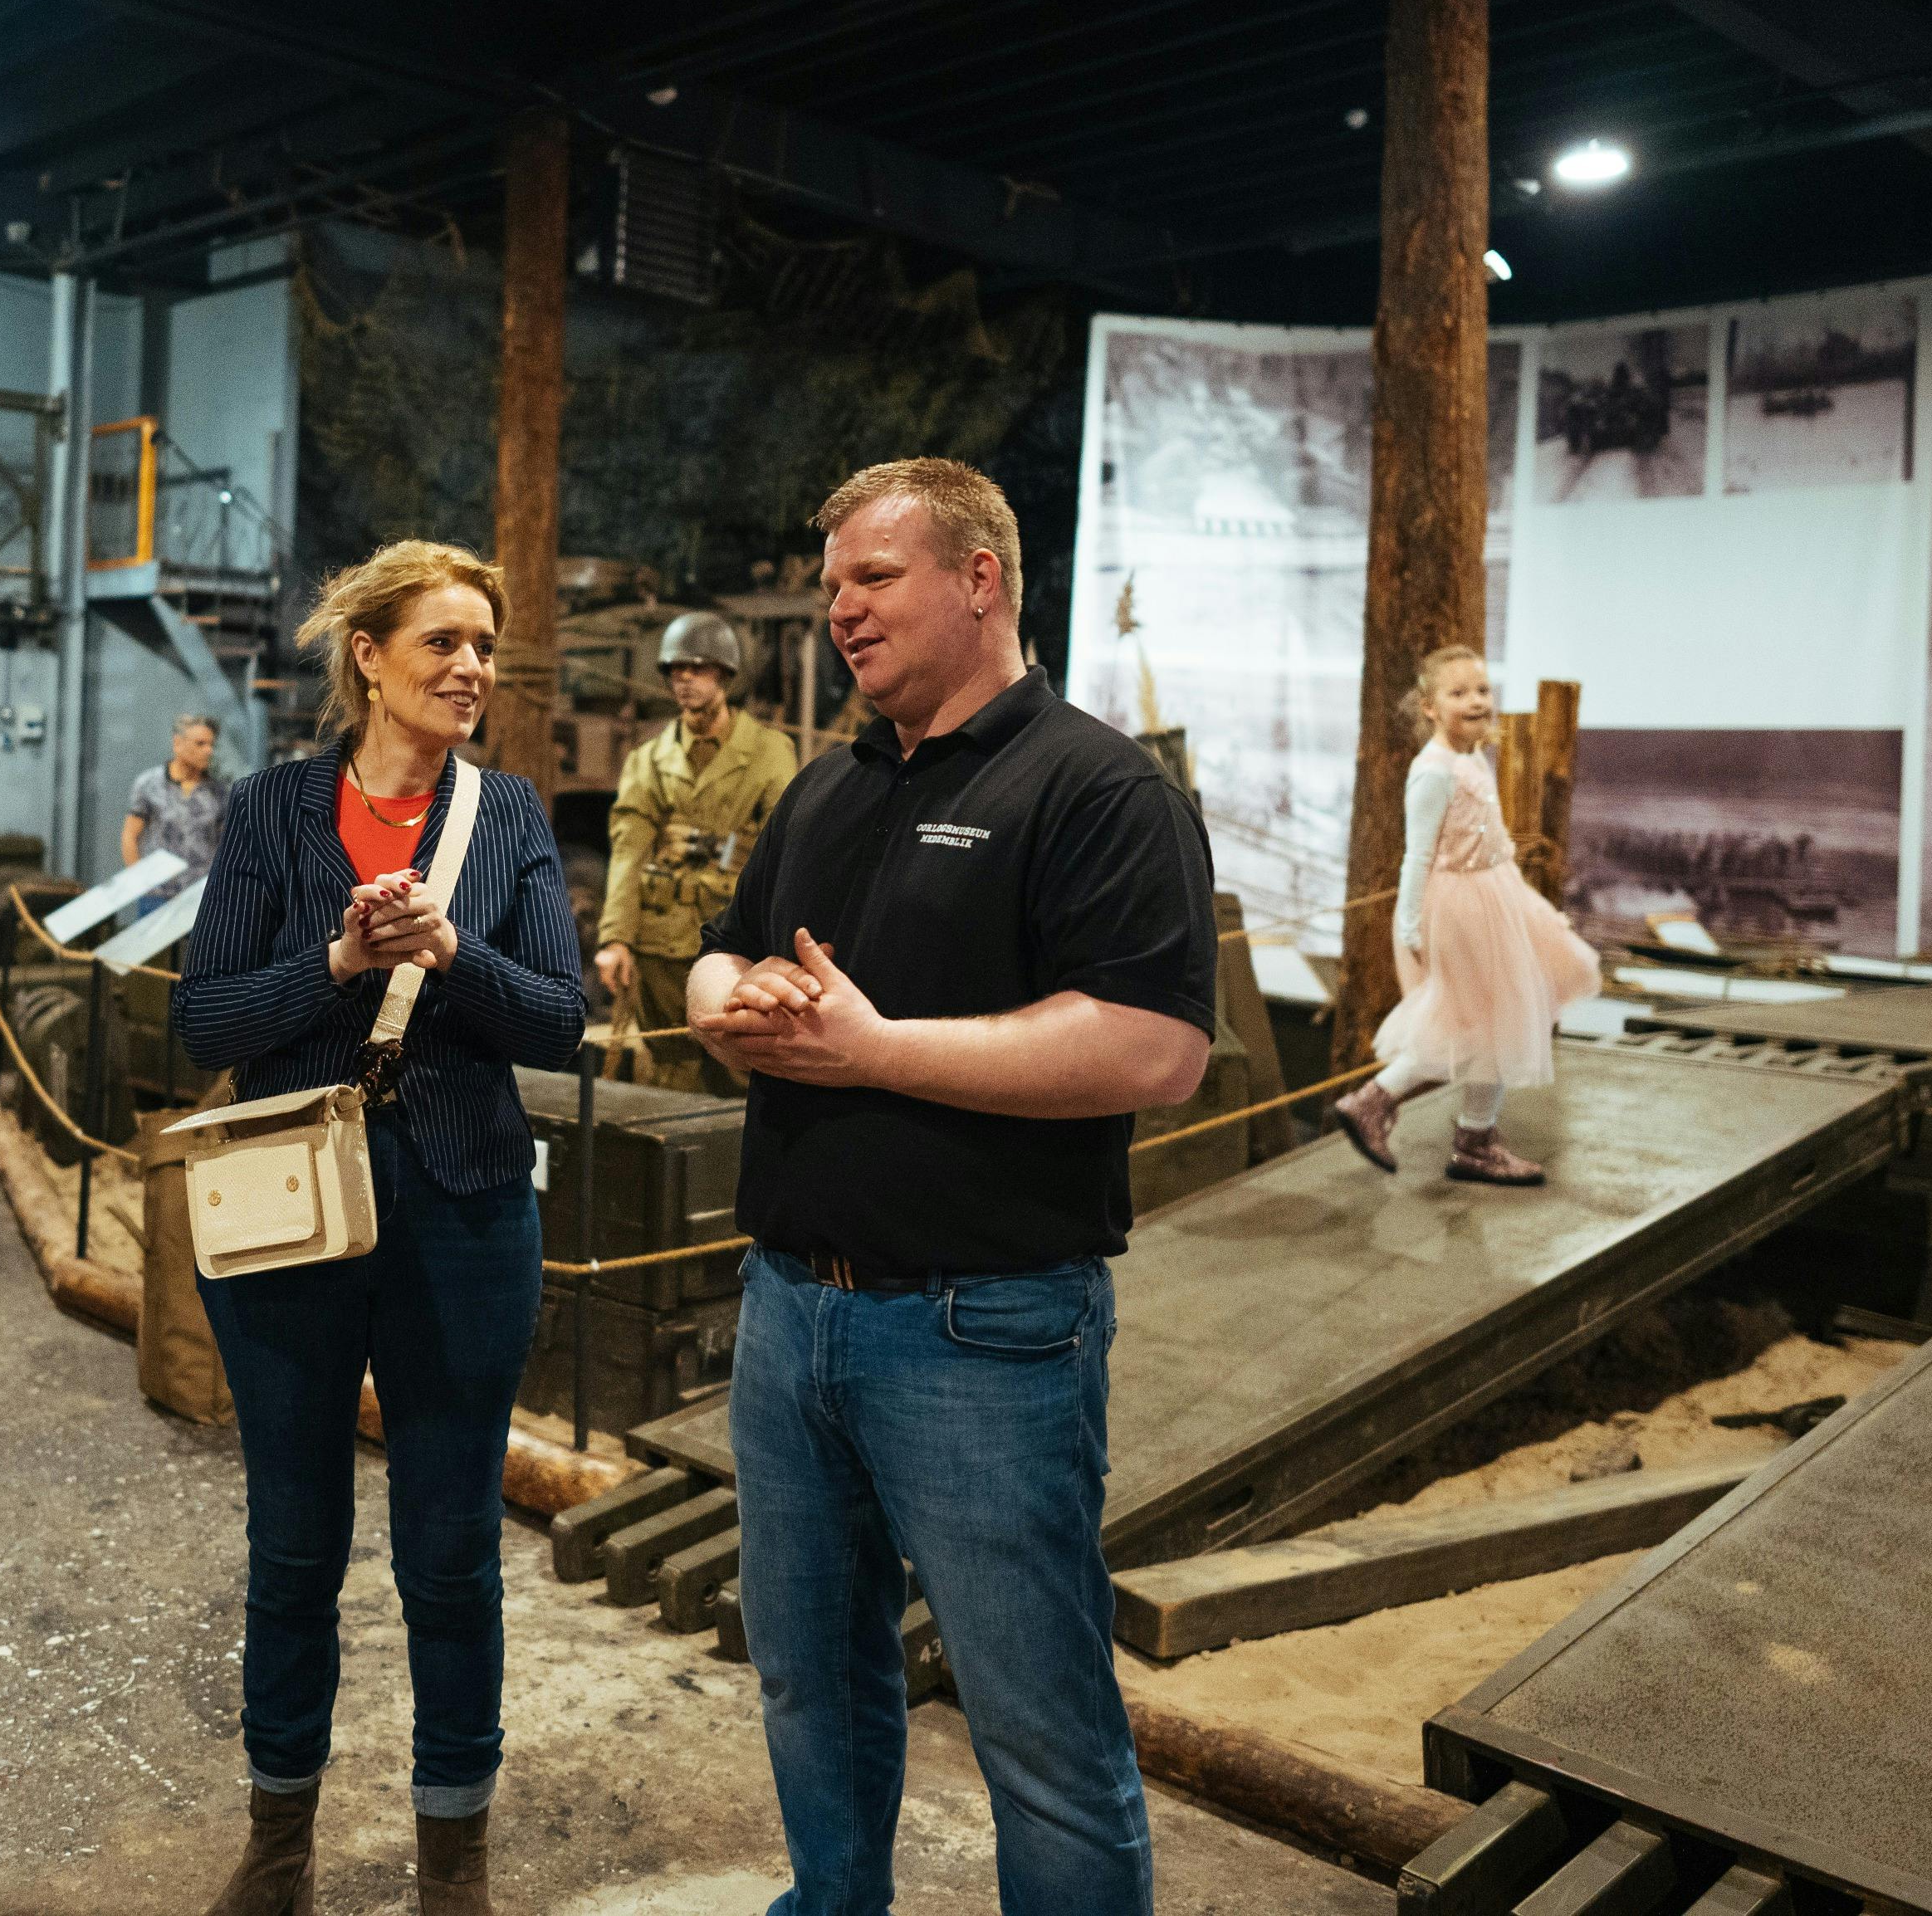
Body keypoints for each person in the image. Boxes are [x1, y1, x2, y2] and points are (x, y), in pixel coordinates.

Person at [687, 459, 1215, 1916]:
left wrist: (872, 1052)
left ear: (979, 579)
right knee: (810, 1681)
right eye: (833, 580)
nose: (838, 608)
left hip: (982, 1334)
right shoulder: (825, 787)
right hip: (790, 1314)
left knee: (1036, 1729)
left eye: (871, 576)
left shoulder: (1099, 788)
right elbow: (724, 949)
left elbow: (1156, 1048)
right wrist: (718, 995)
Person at [172, 540, 584, 1916]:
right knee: (293, 1541)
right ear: (368, 656)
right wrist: (342, 959)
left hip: (465, 1214)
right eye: (442, 644)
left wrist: (451, 955)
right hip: (291, 1211)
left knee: (451, 1548)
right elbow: (202, 1019)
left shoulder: (511, 817)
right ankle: (277, 1845)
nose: (470, 670)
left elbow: (559, 1020)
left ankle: (449, 1860)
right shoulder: (272, 810)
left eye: (484, 649)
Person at [1332, 647, 1602, 1185]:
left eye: (1481, 690)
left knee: (1508, 1015)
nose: (1476, 701)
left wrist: (1528, 903)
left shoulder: (1471, 757)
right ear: (1430, 707)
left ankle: (1475, 1137)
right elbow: (1418, 854)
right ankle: (1375, 1099)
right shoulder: (1433, 771)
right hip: (1461, 909)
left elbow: (1490, 841)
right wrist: (1410, 923)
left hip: (1498, 896)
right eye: (1458, 693)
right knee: (1472, 1022)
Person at [594, 610, 796, 1093]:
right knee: (670, 1074)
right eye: (675, 671)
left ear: (724, 675)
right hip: (659, 941)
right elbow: (629, 848)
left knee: (742, 1073)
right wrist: (615, 938)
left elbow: (787, 854)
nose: (684, 680)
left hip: (736, 939)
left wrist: (785, 943)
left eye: (698, 669)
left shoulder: (769, 752)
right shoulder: (649, 760)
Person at [120, 711, 227, 906]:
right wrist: (141, 884)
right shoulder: (149, 784)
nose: (208, 751)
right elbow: (130, 836)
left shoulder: (219, 792)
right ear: (178, 743)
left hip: (204, 897)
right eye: (200, 744)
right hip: (158, 895)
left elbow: (227, 846)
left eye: (211, 745)